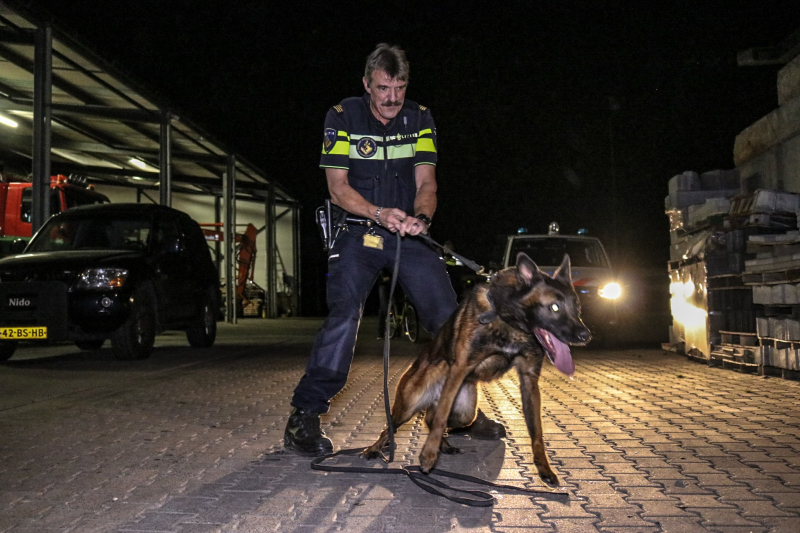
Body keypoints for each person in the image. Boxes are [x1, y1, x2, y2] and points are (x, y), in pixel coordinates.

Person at [283, 43, 503, 456]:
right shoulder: (342, 116)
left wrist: (420, 218)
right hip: (358, 233)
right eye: (384, 88)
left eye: (400, 88)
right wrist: (379, 212)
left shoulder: (419, 118)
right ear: (367, 84)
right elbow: (337, 188)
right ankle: (305, 416)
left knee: (449, 319)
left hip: (408, 234)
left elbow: (427, 184)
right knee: (344, 315)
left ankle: (460, 410)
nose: (392, 98)